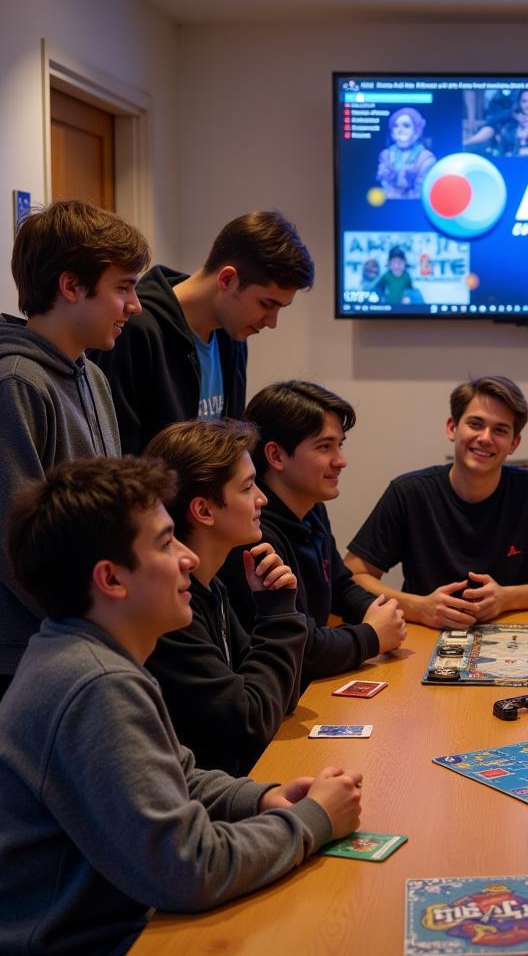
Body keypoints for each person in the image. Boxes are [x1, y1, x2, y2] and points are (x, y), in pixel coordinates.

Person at [0, 456, 362, 954]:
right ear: (111, 579)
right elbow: (189, 870)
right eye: (166, 543)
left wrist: (259, 799)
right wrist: (313, 821)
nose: (188, 558)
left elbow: (174, 775)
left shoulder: (87, 653)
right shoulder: (96, 683)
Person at [0, 199, 149, 698]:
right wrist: (98, 625)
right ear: (70, 286)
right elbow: (15, 547)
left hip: (87, 637)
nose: (135, 306)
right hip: (29, 653)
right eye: (123, 288)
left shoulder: (94, 377)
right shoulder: (17, 383)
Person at [344, 376, 528, 628]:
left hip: (512, 637)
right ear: (452, 428)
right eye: (475, 424)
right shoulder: (409, 493)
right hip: (424, 633)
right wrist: (418, 608)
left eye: (500, 430)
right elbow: (353, 575)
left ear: (514, 443)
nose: (485, 438)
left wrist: (507, 598)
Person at [142, 419, 307, 775]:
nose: (262, 498)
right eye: (248, 488)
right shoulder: (173, 611)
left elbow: (280, 698)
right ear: (203, 511)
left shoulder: (211, 587)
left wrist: (275, 612)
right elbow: (249, 726)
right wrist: (277, 616)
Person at [220, 380, 407, 689]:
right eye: (324, 447)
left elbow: (340, 584)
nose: (341, 460)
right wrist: (372, 636)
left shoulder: (311, 508)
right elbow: (300, 646)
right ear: (276, 456)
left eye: (340, 445)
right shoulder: (252, 534)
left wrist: (381, 613)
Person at [94, 210, 315, 455]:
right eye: (266, 304)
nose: (272, 322)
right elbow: (119, 457)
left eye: (280, 308)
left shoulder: (233, 336)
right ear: (227, 279)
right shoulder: (136, 329)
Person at [466, 90, 528, 156]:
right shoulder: (510, 118)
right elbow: (492, 124)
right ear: (519, 102)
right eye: (524, 101)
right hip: (510, 162)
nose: (527, 104)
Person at [375, 106, 436, 199]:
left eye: (406, 126)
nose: (400, 131)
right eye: (396, 126)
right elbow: (383, 185)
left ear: (417, 132)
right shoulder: (385, 156)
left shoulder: (426, 158)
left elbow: (424, 191)